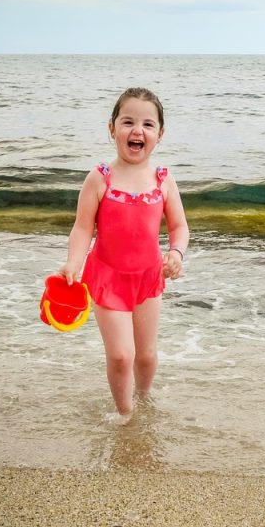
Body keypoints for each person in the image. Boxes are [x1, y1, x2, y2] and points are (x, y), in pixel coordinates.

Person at [56, 87, 189, 418]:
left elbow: (179, 227)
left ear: (160, 133)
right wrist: (73, 262)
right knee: (120, 355)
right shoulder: (100, 178)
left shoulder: (163, 180)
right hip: (107, 278)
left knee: (145, 355)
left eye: (147, 124)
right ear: (112, 128)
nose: (137, 130)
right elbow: (83, 227)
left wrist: (177, 252)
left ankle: (143, 398)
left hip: (147, 278)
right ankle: (126, 415)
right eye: (128, 121)